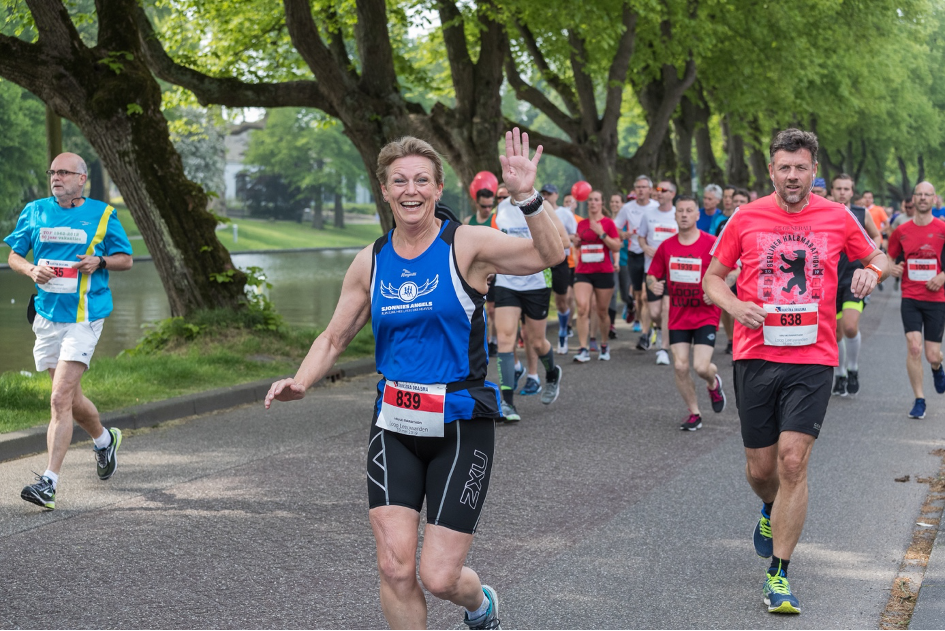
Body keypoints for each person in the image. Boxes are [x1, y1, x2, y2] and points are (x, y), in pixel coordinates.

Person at [265, 130, 562, 630]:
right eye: (399, 180)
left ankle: (480, 603)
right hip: (395, 424)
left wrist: (526, 197)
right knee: (395, 567)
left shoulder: (466, 244)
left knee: (440, 577)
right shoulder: (371, 260)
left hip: (461, 424)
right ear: (384, 190)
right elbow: (334, 337)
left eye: (421, 180)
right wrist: (302, 380)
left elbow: (547, 255)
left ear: (438, 187)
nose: (411, 189)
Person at [704, 128, 886, 614]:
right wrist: (737, 305)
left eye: (800, 167)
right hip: (756, 354)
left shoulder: (838, 215)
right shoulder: (745, 217)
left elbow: (879, 255)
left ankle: (779, 576)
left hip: (814, 357)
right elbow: (712, 280)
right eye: (783, 167)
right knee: (762, 470)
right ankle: (769, 509)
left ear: (813, 170)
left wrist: (873, 272)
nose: (791, 176)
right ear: (771, 170)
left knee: (792, 461)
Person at [4, 152, 133, 510]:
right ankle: (105, 440)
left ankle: (48, 484)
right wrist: (30, 270)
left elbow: (126, 258)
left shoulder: (103, 215)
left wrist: (101, 261)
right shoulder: (35, 211)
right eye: (52, 172)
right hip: (46, 317)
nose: (55, 177)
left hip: (84, 316)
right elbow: (14, 255)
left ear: (82, 179)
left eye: (63, 172)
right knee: (72, 401)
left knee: (59, 398)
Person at [646, 196, 726, 431]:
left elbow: (733, 272)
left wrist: (717, 292)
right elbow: (652, 275)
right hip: (678, 316)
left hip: (705, 315)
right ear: (675, 215)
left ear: (697, 215)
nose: (684, 214)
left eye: (689, 210)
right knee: (680, 366)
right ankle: (694, 412)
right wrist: (653, 284)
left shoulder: (711, 243)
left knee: (701, 367)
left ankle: (713, 382)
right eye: (680, 210)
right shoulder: (667, 246)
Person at [493, 184, 569, 419]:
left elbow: (564, 242)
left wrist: (529, 247)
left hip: (537, 282)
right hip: (507, 281)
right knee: (505, 338)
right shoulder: (501, 208)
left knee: (536, 342)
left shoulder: (541, 205)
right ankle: (507, 403)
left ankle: (552, 371)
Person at [887, 181, 945, 419]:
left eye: (927, 195)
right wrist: (893, 269)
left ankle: (937, 367)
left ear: (934, 199)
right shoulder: (901, 230)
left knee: (932, 354)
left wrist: (942, 276)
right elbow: (887, 257)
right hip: (910, 296)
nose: (922, 198)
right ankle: (919, 399)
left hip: (936, 299)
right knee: (914, 347)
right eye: (918, 194)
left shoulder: (942, 228)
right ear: (912, 199)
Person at [828, 174, 883, 396]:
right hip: (831, 278)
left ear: (852, 192)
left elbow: (877, 237)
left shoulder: (861, 213)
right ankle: (840, 374)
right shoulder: (825, 213)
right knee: (837, 332)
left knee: (850, 327)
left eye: (846, 189)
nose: (842, 192)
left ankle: (853, 368)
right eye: (838, 188)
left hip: (855, 278)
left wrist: (870, 260)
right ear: (832, 191)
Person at [572, 190, 621, 362]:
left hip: (603, 271)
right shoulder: (582, 223)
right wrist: (576, 242)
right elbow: (578, 246)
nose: (593, 203)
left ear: (601, 203)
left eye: (596, 200)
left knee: (601, 311)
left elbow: (616, 247)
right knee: (583, 308)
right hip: (583, 271)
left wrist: (602, 233)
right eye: (590, 200)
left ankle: (604, 344)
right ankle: (583, 348)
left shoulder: (608, 223)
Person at [638, 180, 679, 365]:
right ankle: (659, 329)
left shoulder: (678, 214)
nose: (659, 193)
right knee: (654, 311)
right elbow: (641, 237)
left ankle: (663, 349)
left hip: (674, 269)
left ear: (672, 193)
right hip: (652, 269)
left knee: (666, 308)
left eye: (664, 190)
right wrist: (645, 248)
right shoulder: (648, 215)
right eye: (657, 190)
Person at [616, 176, 659, 345]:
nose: (641, 190)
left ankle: (647, 333)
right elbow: (615, 227)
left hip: (651, 256)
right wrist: (622, 234)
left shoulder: (656, 207)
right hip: (634, 255)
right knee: (639, 296)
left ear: (650, 189)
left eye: (644, 187)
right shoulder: (627, 208)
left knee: (646, 295)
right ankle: (646, 327)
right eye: (638, 187)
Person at [464, 188, 500, 355]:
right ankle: (478, 342)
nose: (487, 209)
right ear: (476, 204)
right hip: (472, 275)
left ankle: (493, 341)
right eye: (484, 206)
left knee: (491, 310)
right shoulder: (467, 222)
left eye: (490, 206)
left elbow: (501, 249)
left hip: (492, 273)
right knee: (474, 310)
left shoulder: (496, 220)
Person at [552, 188, 579, 354]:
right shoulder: (533, 212)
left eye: (549, 193)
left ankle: (564, 329)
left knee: (564, 299)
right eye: (543, 193)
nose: (546, 196)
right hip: (540, 262)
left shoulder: (565, 214)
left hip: (564, 262)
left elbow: (575, 238)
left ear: (556, 195)